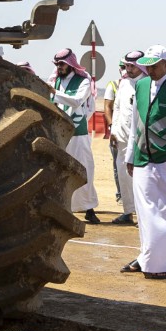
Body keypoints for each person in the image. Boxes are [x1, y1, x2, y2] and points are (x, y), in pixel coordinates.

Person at [113, 46, 166, 280]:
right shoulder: (140, 86)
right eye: (147, 65)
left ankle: (157, 262)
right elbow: (135, 127)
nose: (149, 69)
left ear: (165, 64)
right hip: (143, 161)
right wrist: (131, 156)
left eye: (153, 65)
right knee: (147, 215)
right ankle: (149, 260)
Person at [50, 48, 102, 224]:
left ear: (71, 64)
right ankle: (63, 206)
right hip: (58, 131)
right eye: (57, 64)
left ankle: (89, 208)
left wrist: (54, 93)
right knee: (61, 169)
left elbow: (77, 101)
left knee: (83, 168)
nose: (59, 67)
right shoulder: (55, 80)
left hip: (78, 133)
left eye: (62, 64)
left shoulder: (83, 81)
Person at [103, 50, 145, 225]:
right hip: (121, 137)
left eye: (132, 66)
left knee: (140, 178)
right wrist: (113, 129)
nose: (128, 69)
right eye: (126, 66)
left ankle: (143, 215)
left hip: (141, 140)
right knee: (123, 175)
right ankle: (128, 212)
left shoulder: (148, 83)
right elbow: (118, 108)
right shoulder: (124, 83)